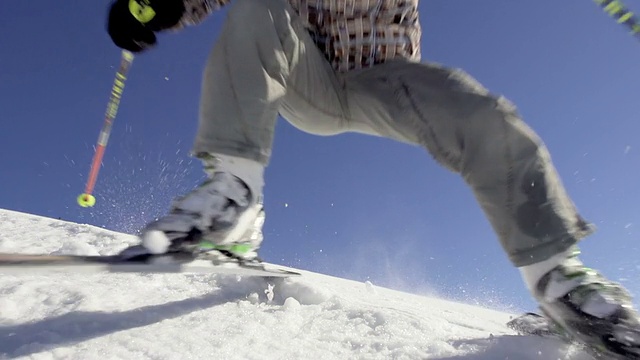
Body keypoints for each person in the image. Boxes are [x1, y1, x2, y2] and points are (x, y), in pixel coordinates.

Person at [107, 0, 640, 357]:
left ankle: (556, 280)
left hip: (386, 78)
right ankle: (235, 197)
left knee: (484, 115)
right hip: (305, 74)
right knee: (257, 5)